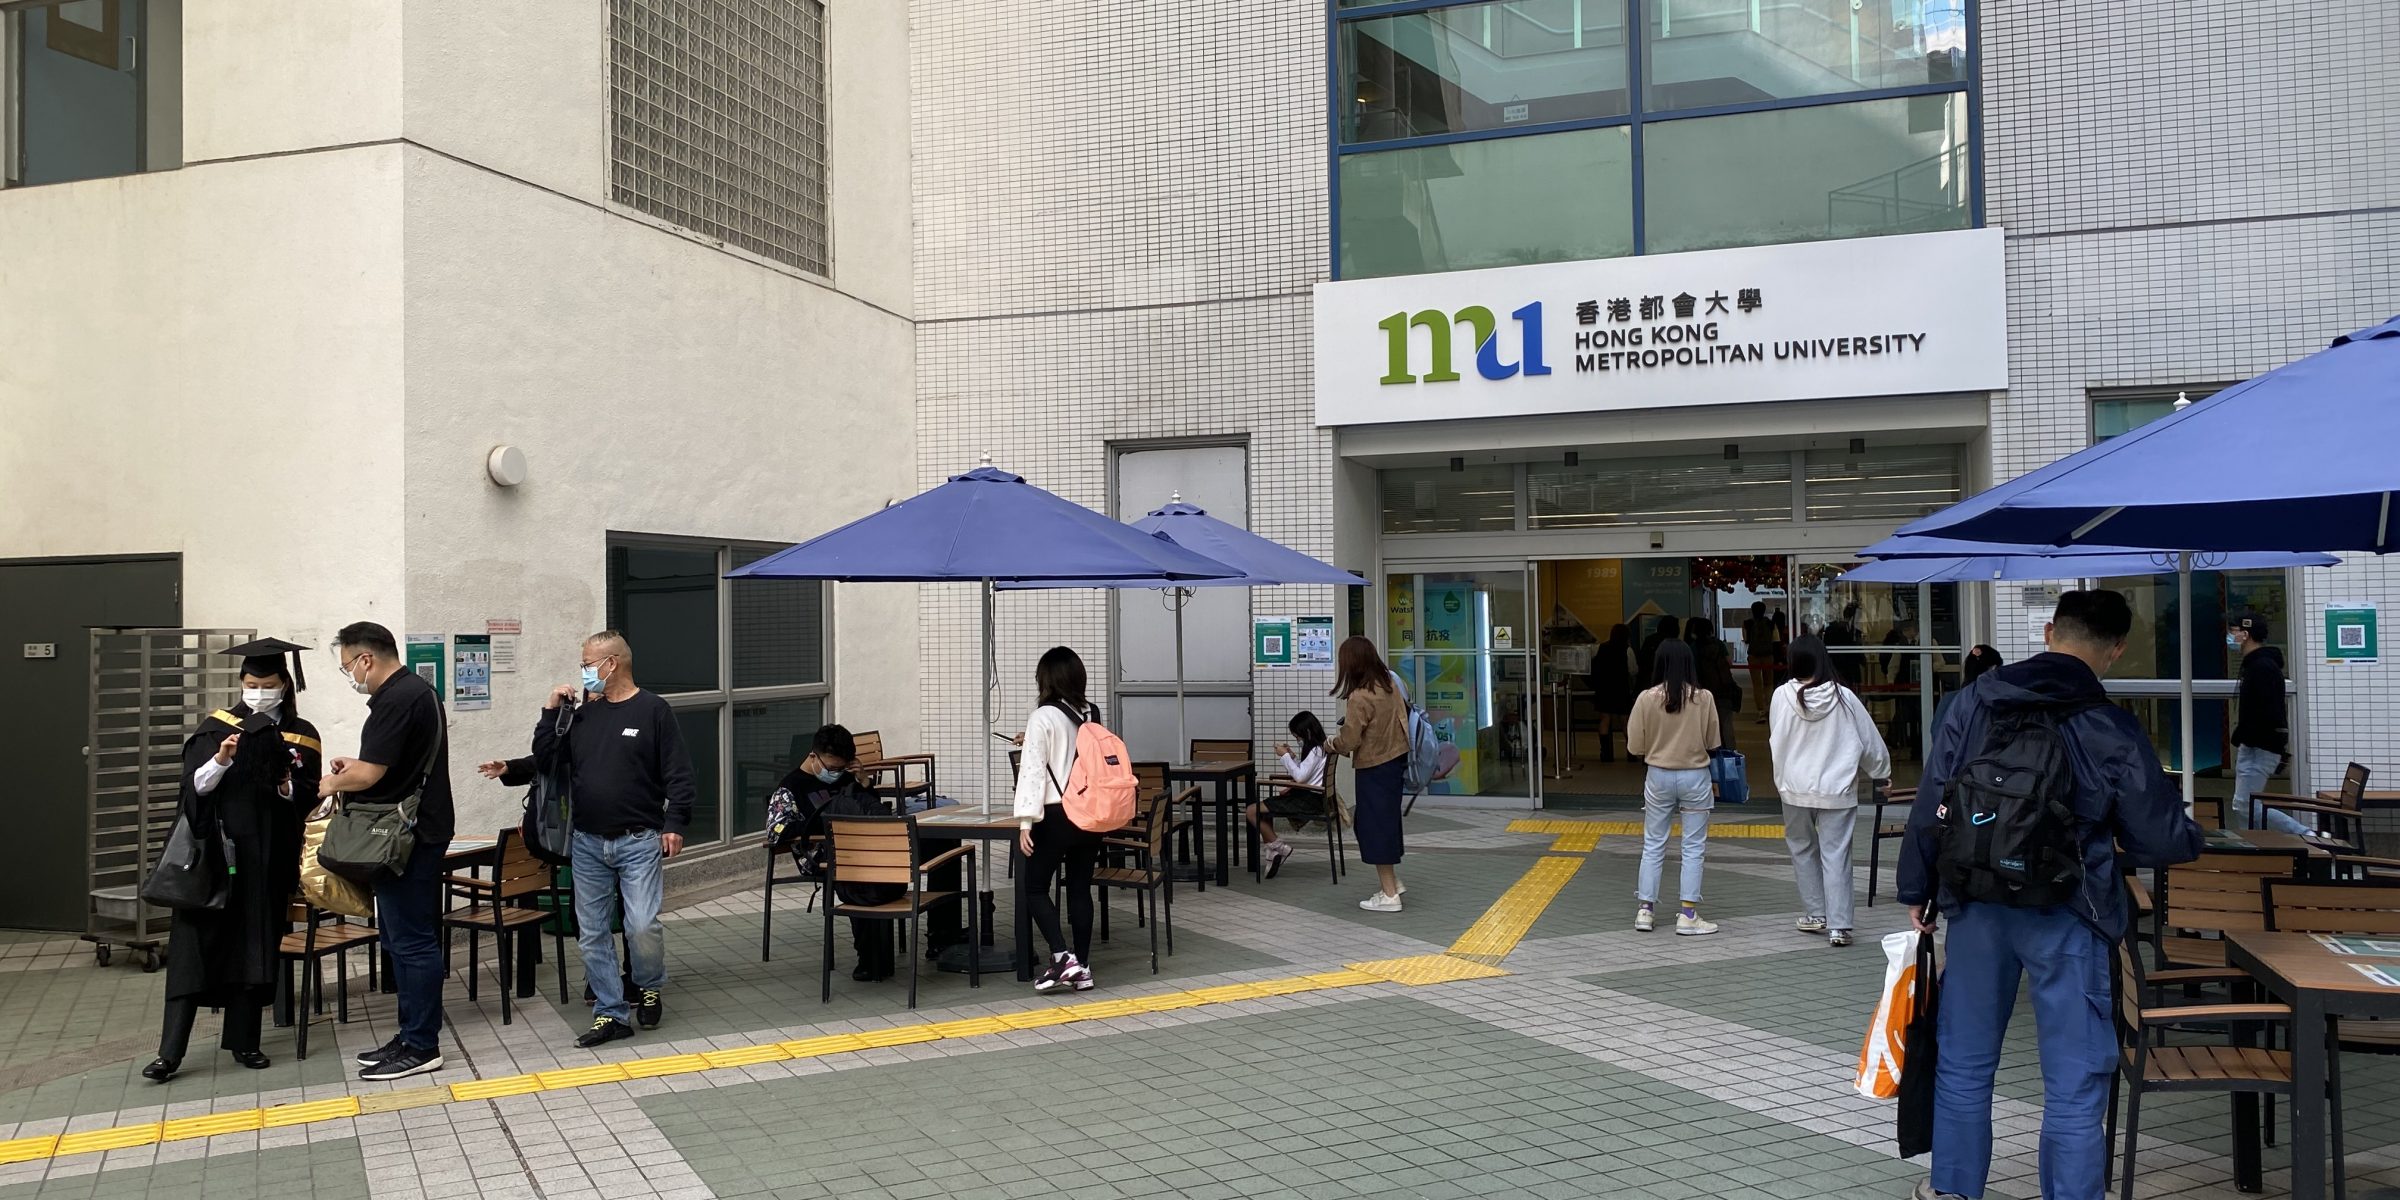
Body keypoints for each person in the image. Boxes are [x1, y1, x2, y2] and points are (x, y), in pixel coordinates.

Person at [1898, 590, 2202, 1200]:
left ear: (2047, 632)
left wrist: (1918, 886)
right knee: (2074, 1080)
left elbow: (1933, 799)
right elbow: (2160, 837)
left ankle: (1953, 1190)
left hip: (1976, 903)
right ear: (2115, 650)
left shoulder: (1973, 702)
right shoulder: (2110, 724)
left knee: (1964, 1064)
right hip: (2070, 911)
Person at [144, 639, 322, 1082]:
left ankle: (245, 1042)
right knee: (192, 951)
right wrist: (222, 760)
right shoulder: (216, 728)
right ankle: (170, 1052)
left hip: (266, 861)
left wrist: (285, 783)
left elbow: (308, 796)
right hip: (215, 859)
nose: (258, 692)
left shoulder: (302, 735)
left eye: (267, 684)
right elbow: (193, 789)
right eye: (251, 684)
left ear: (285, 684)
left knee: (254, 949)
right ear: (241, 683)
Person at [533, 631, 696, 1047]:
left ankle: (648, 984)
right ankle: (610, 1012)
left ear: (612, 663)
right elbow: (547, 759)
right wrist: (551, 712)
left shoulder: (654, 710)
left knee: (641, 925)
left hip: (638, 840)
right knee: (591, 933)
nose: (584, 671)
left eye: (588, 664)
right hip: (588, 842)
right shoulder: (584, 715)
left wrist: (675, 823)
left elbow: (678, 773)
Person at [319, 622, 453, 1082]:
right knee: (400, 939)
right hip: (415, 829)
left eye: (348, 667)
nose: (350, 676)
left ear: (367, 659)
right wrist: (354, 767)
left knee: (412, 941)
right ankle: (409, 1035)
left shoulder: (396, 699)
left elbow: (372, 775)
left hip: (405, 837)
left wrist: (332, 782)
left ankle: (422, 1044)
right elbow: (391, 764)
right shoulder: (418, 691)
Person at [1768, 636, 1889, 949]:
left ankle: (1815, 914)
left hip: (1794, 788)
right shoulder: (1844, 697)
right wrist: (1881, 773)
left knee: (1802, 848)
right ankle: (1840, 926)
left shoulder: (1781, 696)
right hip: (1837, 789)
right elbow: (1869, 741)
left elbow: (1776, 737)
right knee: (1836, 855)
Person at [766, 725, 905, 980]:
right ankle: (871, 959)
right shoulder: (791, 787)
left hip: (859, 850)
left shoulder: (846, 777)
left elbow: (869, 811)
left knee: (880, 865)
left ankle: (895, 953)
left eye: (841, 769)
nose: (835, 774)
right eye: (831, 768)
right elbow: (776, 831)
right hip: (819, 855)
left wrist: (864, 782)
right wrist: (822, 824)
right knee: (863, 876)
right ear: (813, 756)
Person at [1013, 647, 1107, 992]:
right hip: (1089, 813)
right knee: (1080, 888)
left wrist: (1025, 821)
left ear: (1046, 679)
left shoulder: (1042, 717)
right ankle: (1082, 967)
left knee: (1035, 887)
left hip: (1055, 815)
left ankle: (1061, 956)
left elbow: (1033, 771)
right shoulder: (1091, 712)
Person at [1626, 638, 1722, 935]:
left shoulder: (1646, 698)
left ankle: (1645, 910)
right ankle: (1688, 914)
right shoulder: (1704, 698)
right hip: (1695, 777)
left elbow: (1634, 746)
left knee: (1653, 844)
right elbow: (1713, 742)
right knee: (1693, 847)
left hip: (1658, 776)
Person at [1327, 636, 1410, 912]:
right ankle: (1392, 883)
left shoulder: (1359, 696)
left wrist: (1332, 743)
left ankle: (1389, 895)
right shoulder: (1389, 684)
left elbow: (1350, 740)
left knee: (1373, 827)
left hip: (1374, 767)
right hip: (1395, 762)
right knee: (1383, 824)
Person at [2227, 611, 2306, 834]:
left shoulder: (2262, 668)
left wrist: (2248, 736)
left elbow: (2269, 711)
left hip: (2260, 748)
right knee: (2244, 806)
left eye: (2233, 631)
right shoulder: (2256, 665)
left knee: (2245, 805)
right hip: (2255, 746)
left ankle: (2306, 835)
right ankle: (2252, 847)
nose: (2230, 636)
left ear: (2246, 634)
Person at [1252, 712, 1329, 878]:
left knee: (1252, 811)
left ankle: (1279, 848)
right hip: (1311, 797)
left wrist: (1285, 756)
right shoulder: (1319, 748)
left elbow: (1300, 777)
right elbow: (1306, 772)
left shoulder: (1315, 750)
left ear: (1306, 732)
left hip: (1307, 800)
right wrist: (1293, 757)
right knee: (1262, 811)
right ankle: (1273, 851)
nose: (1298, 740)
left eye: (1297, 737)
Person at [1686, 617, 1741, 749]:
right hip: (1724, 689)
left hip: (1702, 691)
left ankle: (1709, 752)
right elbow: (1729, 662)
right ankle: (1730, 753)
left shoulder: (1692, 648)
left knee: (1705, 725)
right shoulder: (1719, 644)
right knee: (1726, 724)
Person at [1591, 624, 1636, 762]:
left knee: (1605, 719)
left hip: (1604, 688)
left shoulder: (1600, 647)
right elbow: (1633, 670)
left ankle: (1605, 753)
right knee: (1625, 721)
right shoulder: (1627, 650)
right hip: (1621, 688)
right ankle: (1631, 753)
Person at [1743, 602, 1777, 721]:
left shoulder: (1747, 623)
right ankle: (1770, 708)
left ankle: (1761, 711)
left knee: (1757, 685)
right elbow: (1775, 640)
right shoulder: (1771, 623)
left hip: (1753, 656)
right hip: (1768, 656)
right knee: (1769, 684)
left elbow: (1746, 640)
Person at [1638, 615, 1680, 687]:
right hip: (1672, 682)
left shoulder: (1650, 640)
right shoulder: (1677, 644)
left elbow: (1642, 661)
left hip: (1650, 681)